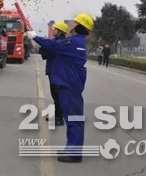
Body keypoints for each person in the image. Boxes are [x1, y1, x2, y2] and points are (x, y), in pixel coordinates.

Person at [25, 12, 94, 163]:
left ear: (79, 27)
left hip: (70, 86)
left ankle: (74, 154)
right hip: (69, 85)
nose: (71, 24)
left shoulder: (74, 42)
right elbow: (52, 48)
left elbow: (53, 45)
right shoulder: (74, 42)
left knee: (74, 120)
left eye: (74, 22)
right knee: (71, 119)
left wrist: (35, 36)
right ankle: (71, 149)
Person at [39, 21, 67, 126]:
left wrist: (44, 48)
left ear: (60, 31)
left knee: (57, 95)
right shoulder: (56, 41)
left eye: (55, 29)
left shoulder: (60, 43)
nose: (53, 30)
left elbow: (46, 52)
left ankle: (59, 118)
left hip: (57, 71)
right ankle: (57, 116)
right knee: (56, 95)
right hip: (54, 70)